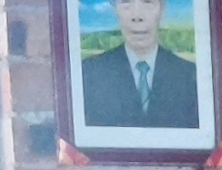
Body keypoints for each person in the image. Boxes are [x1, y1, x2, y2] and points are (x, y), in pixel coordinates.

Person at [76, 0, 205, 131]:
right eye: (126, 2)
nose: (137, 16)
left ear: (162, 9)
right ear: (115, 9)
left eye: (148, 2)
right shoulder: (88, 73)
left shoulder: (191, 76)